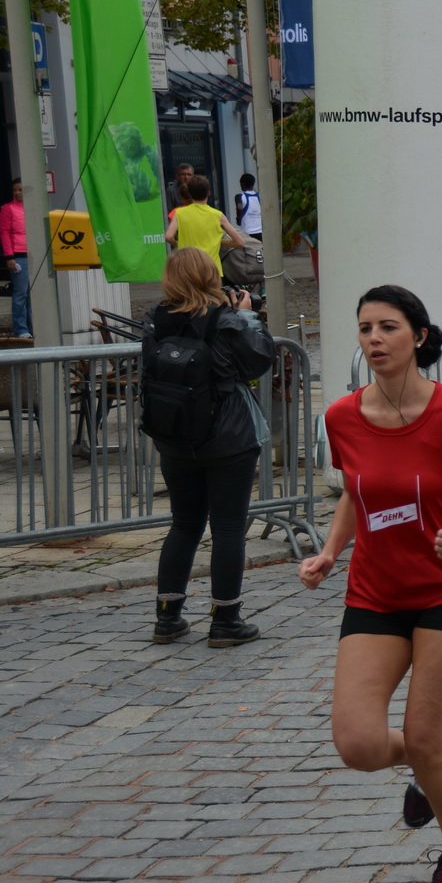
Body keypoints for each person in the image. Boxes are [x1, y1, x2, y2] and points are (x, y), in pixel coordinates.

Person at [299, 285, 442, 883]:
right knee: (359, 745)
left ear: (418, 336)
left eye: (387, 327)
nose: (373, 339)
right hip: (376, 593)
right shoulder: (341, 416)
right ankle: (439, 753)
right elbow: (354, 492)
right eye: (364, 327)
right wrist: (332, 552)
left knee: (419, 737)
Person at [143, 248, 277, 647]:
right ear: (210, 275)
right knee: (229, 527)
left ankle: (167, 617)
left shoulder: (156, 319)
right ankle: (226, 620)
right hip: (228, 437)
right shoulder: (225, 318)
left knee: (184, 524)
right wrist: (250, 312)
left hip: (176, 436)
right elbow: (259, 360)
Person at [165, 175, 248, 270]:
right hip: (211, 268)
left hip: (188, 268)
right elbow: (240, 242)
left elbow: (168, 236)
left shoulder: (179, 213)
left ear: (190, 194)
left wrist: (178, 244)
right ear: (208, 193)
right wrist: (221, 241)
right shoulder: (218, 215)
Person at [2, 179, 28, 339]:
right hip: (18, 255)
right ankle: (21, 329)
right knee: (20, 294)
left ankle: (31, 326)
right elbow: (4, 232)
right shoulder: (8, 208)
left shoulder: (32, 207)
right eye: (15, 190)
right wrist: (9, 256)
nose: (17, 193)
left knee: (30, 295)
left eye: (20, 190)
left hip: (32, 253)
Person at [233, 173, 263, 238]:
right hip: (261, 231)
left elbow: (239, 207)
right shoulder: (260, 197)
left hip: (247, 232)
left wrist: (239, 220)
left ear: (242, 184)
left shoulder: (239, 196)